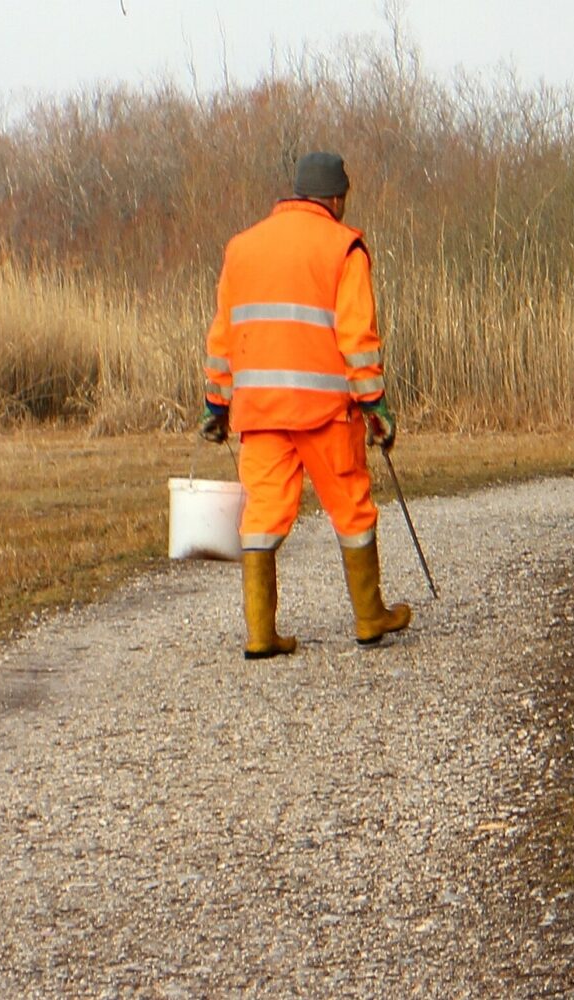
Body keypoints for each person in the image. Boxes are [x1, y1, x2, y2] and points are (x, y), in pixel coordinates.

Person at [198, 151, 411, 660]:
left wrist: (216, 403)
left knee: (263, 514)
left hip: (259, 410)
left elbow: (224, 335)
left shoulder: (241, 248)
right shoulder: (344, 247)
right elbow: (357, 337)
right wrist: (376, 404)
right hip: (325, 411)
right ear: (336, 198)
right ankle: (368, 619)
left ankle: (260, 634)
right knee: (351, 508)